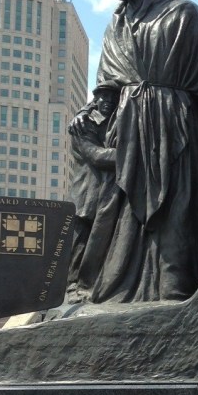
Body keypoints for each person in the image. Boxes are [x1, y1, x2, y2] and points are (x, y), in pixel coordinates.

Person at [78, 0, 198, 303]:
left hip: (173, 123)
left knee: (176, 208)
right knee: (123, 215)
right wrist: (88, 115)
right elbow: (106, 91)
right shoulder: (116, 25)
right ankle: (119, 290)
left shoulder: (182, 12)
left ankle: (174, 287)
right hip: (126, 131)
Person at [66, 81, 118, 298]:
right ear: (95, 99)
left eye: (112, 99)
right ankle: (73, 286)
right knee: (80, 242)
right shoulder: (83, 124)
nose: (107, 102)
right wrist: (132, 152)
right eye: (103, 98)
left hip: (105, 193)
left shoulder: (111, 121)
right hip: (87, 192)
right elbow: (95, 155)